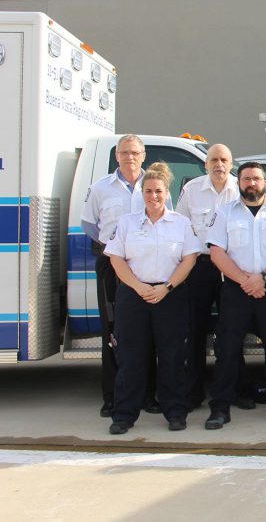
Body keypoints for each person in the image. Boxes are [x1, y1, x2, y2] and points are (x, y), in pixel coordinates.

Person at [104, 162, 200, 434]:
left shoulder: (181, 223)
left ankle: (176, 413)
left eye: (158, 191)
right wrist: (138, 286)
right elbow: (116, 259)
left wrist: (166, 287)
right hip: (134, 295)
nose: (153, 196)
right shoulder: (127, 223)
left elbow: (189, 259)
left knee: (172, 358)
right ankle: (123, 416)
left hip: (170, 295)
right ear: (142, 193)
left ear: (166, 192)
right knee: (131, 358)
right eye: (148, 191)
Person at [204, 162, 266, 429]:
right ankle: (220, 409)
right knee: (227, 351)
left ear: (265, 182)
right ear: (239, 182)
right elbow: (216, 252)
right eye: (246, 179)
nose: (251, 183)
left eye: (256, 178)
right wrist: (244, 280)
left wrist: (263, 277)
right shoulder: (224, 212)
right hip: (236, 290)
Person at [81, 134, 155, 417]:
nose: (130, 157)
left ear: (143, 155)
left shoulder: (154, 185)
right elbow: (89, 224)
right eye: (125, 152)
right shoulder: (101, 188)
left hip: (147, 265)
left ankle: (148, 395)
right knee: (113, 330)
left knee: (148, 330)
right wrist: (113, 248)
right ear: (116, 156)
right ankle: (112, 396)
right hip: (111, 266)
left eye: (135, 152)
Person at [175, 143, 241, 410]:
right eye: (214, 159)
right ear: (205, 164)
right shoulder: (191, 190)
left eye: (224, 159)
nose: (219, 164)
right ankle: (193, 392)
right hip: (199, 266)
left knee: (232, 330)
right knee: (195, 330)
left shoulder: (240, 189)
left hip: (232, 267)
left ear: (231, 163)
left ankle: (235, 390)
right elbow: (180, 227)